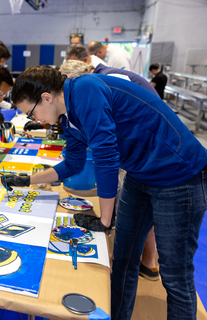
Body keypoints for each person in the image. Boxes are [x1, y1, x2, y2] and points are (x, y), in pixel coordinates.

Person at [2, 65, 207, 320]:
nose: (37, 120)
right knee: (122, 260)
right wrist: (27, 180)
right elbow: (73, 164)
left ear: (46, 97)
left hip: (178, 175)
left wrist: (105, 220)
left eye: (31, 113)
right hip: (140, 174)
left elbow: (106, 157)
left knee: (175, 275)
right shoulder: (69, 118)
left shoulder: (86, 89)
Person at [60, 59, 160, 281]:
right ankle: (136, 260)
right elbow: (81, 157)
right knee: (127, 209)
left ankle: (145, 260)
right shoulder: (93, 82)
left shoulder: (93, 84)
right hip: (139, 147)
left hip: (150, 149)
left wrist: (105, 220)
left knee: (134, 206)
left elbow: (106, 152)